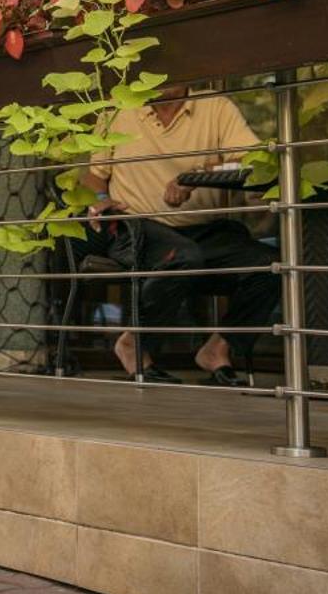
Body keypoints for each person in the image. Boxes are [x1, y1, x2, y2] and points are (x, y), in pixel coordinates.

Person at [85, 83, 277, 384]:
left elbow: (256, 162)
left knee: (270, 265)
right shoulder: (118, 108)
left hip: (203, 230)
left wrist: (197, 175)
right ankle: (134, 343)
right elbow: (94, 176)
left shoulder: (216, 106)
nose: (162, 77)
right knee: (184, 257)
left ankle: (218, 349)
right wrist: (100, 201)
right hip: (138, 227)